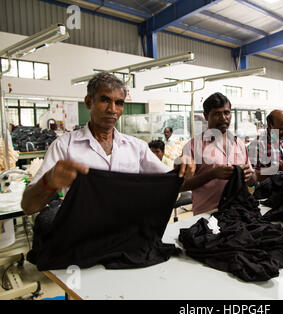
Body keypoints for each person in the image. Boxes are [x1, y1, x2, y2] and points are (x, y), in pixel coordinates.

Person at [21, 72, 194, 215]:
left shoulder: (137, 148)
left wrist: (182, 170)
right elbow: (28, 206)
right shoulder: (64, 146)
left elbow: (169, 182)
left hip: (127, 235)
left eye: (119, 103)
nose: (112, 109)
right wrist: (49, 181)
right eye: (105, 100)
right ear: (89, 102)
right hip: (83, 239)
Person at [180, 92, 256, 215]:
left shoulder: (239, 143)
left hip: (238, 211)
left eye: (226, 113)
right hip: (207, 214)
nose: (223, 118)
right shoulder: (193, 147)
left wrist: (249, 176)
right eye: (217, 114)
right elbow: (181, 186)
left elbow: (253, 181)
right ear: (206, 116)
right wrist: (212, 174)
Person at [248, 109, 283, 182]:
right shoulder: (257, 144)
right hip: (267, 191)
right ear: (270, 126)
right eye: (281, 129)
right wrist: (276, 168)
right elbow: (251, 178)